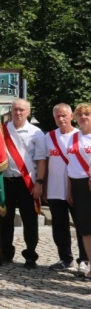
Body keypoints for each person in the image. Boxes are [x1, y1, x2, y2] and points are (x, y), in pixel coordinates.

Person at [0, 98, 47, 268]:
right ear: (10, 110)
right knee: (5, 219)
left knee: (30, 219)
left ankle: (30, 255)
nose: (18, 113)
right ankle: (6, 253)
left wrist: (39, 183)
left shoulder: (36, 133)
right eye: (15, 109)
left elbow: (41, 161)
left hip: (27, 182)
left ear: (28, 112)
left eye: (22, 110)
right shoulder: (1, 131)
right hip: (6, 181)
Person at [45, 103, 88, 272]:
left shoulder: (80, 135)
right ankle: (64, 258)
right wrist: (44, 185)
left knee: (81, 225)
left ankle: (84, 259)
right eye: (57, 116)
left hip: (77, 187)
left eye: (64, 115)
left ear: (71, 116)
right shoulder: (49, 137)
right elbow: (46, 161)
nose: (61, 119)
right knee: (59, 225)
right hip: (55, 188)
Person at [67, 103, 91, 282]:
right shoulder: (72, 138)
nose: (84, 117)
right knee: (85, 228)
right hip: (77, 185)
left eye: (87, 114)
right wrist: (69, 188)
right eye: (80, 114)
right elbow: (70, 165)